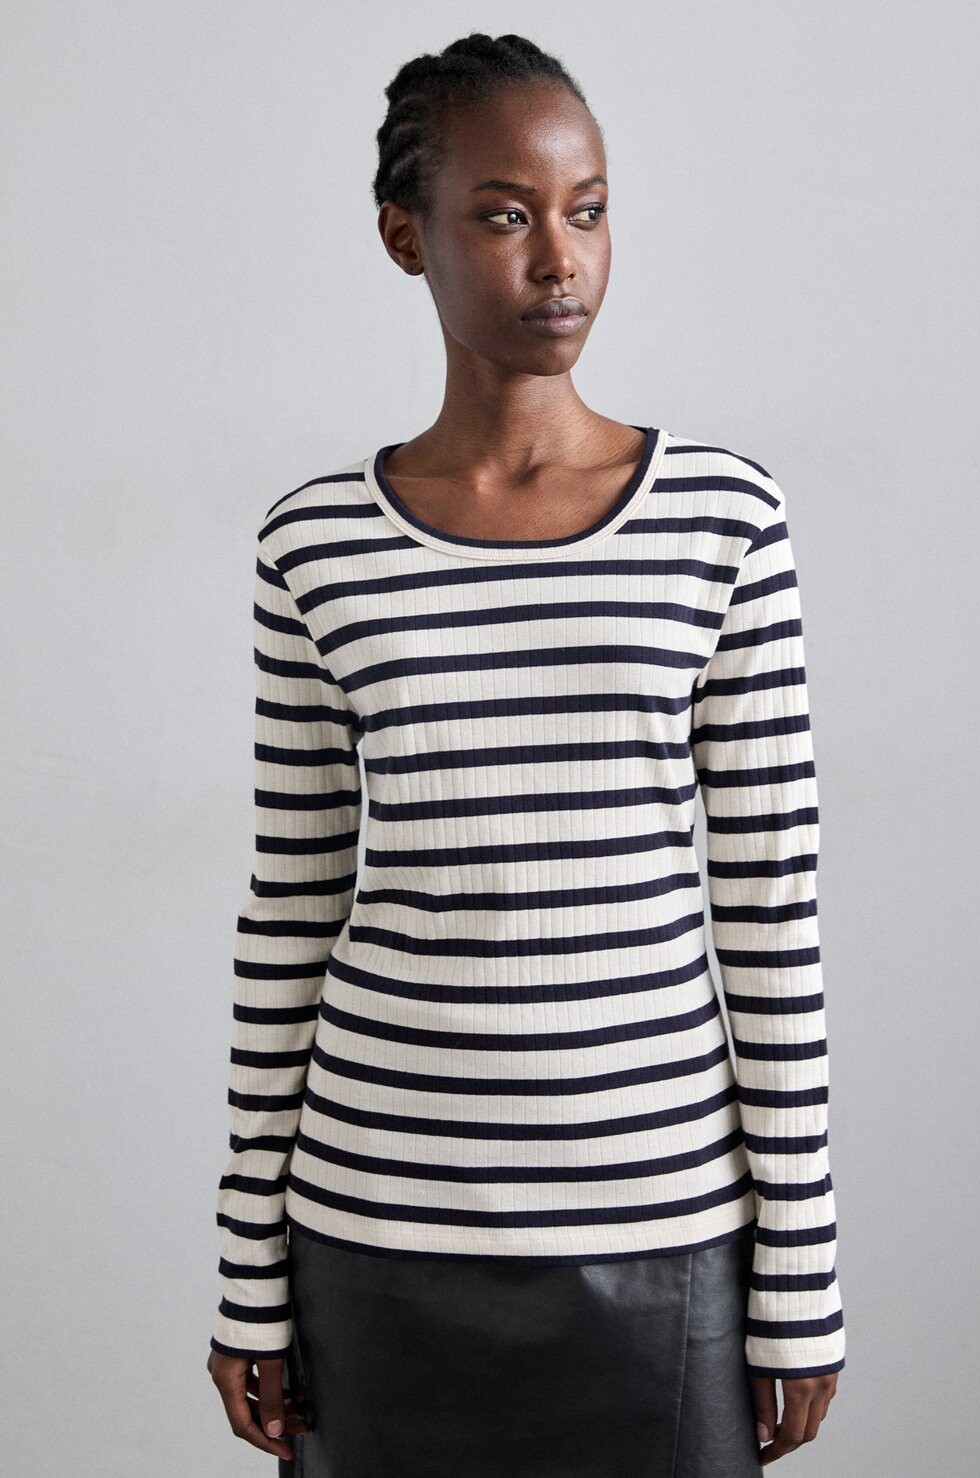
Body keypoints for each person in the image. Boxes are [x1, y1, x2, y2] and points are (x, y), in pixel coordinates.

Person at [207, 31, 845, 1477]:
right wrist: (248, 1265)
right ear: (405, 236)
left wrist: (799, 1269)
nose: (560, 260)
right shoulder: (316, 543)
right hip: (373, 1234)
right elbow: (291, 910)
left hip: (665, 1232)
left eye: (588, 210)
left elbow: (770, 909)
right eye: (504, 215)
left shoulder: (724, 521)